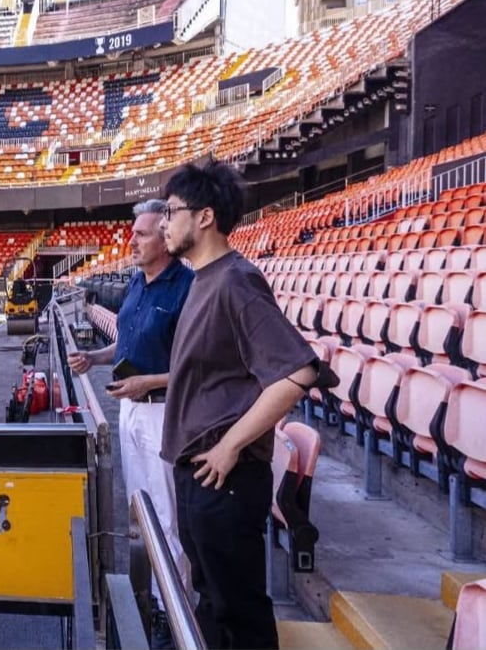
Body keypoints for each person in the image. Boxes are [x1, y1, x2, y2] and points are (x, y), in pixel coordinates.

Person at [159, 159, 319, 650]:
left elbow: (298, 373)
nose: (164, 223)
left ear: (204, 217)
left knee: (238, 613)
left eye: (171, 212)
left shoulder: (235, 280)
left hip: (225, 478)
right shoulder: (205, 279)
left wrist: (230, 446)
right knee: (211, 603)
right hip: (199, 473)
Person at [68, 199, 194, 647]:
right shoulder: (137, 286)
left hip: (165, 411)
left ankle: (174, 611)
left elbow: (198, 366)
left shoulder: (187, 287)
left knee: (167, 515)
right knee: (140, 511)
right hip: (133, 408)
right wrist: (95, 359)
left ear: (165, 237)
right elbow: (124, 345)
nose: (132, 241)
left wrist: (149, 382)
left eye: (141, 234)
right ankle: (157, 600)